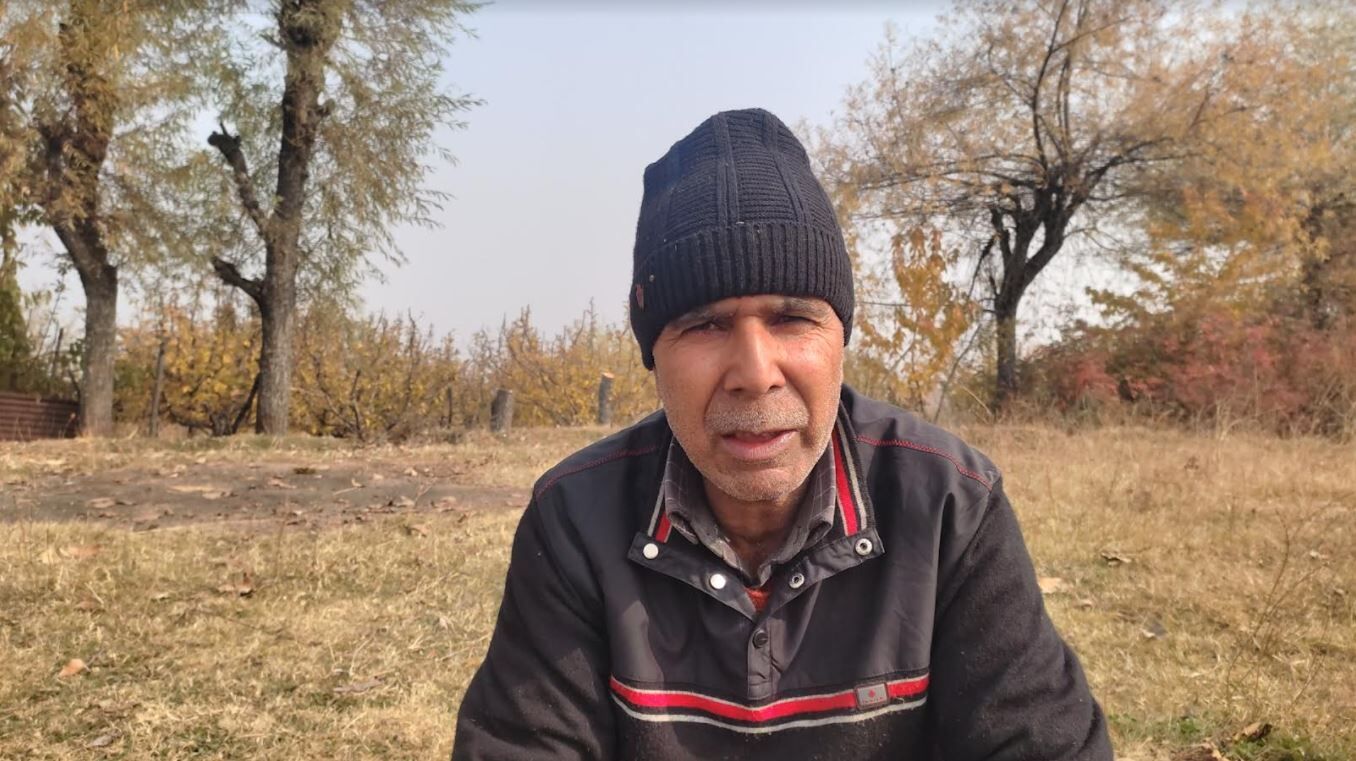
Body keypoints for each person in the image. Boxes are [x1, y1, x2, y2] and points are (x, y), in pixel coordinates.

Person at [451, 108, 1112, 760]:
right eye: (705, 325)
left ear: (840, 338)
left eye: (792, 318)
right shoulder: (575, 519)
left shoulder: (950, 506)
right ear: (654, 356)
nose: (755, 374)